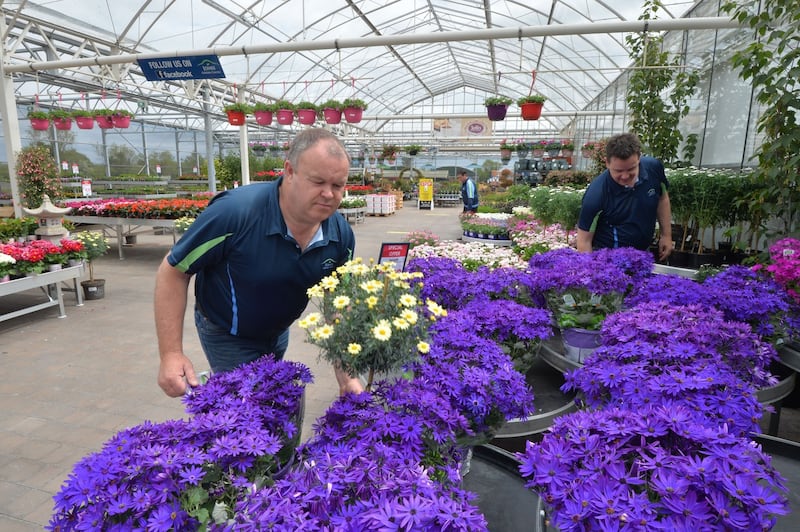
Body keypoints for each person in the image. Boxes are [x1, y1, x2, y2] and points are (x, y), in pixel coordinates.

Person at [155, 128, 363, 397]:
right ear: (289, 171)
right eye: (318, 182)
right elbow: (173, 270)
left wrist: (347, 377)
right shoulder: (236, 214)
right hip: (227, 331)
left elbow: (338, 307)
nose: (328, 194)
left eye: (337, 185)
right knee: (246, 413)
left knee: (270, 402)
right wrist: (171, 354)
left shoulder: (340, 235)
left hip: (276, 331)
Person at [576, 133, 672, 260]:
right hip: (608, 260)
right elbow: (584, 241)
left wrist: (666, 235)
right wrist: (591, 273)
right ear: (607, 163)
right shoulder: (596, 194)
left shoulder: (653, 169)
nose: (625, 176)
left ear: (639, 158)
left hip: (643, 254)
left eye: (631, 169)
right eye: (619, 171)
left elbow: (662, 198)